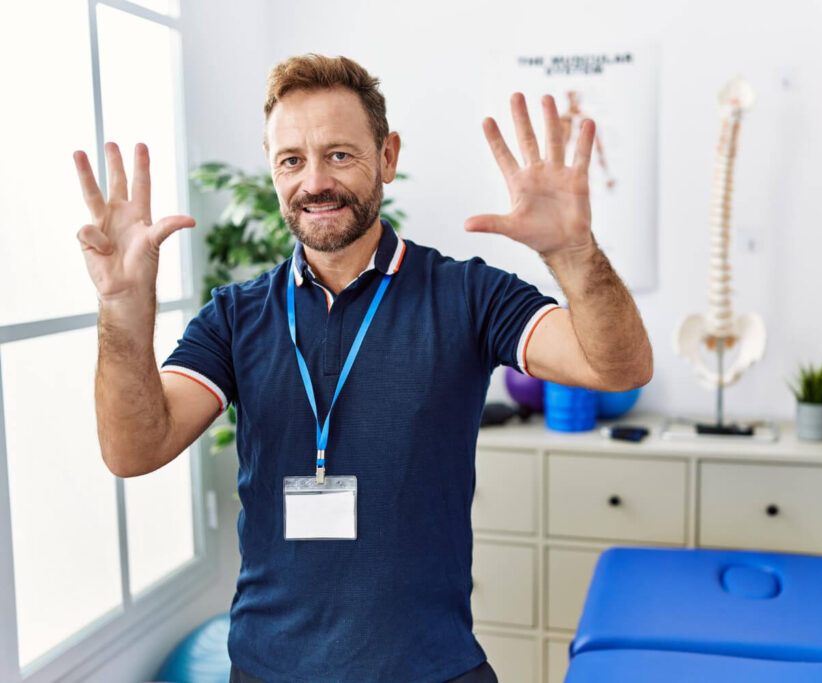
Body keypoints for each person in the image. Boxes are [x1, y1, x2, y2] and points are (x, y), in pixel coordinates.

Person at [73, 54, 652, 682]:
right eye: (291, 160)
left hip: (432, 668)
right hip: (268, 669)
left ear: (387, 156)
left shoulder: (468, 295)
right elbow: (133, 450)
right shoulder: (235, 317)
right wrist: (122, 308)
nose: (315, 181)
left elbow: (617, 369)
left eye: (340, 155)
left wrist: (573, 251)